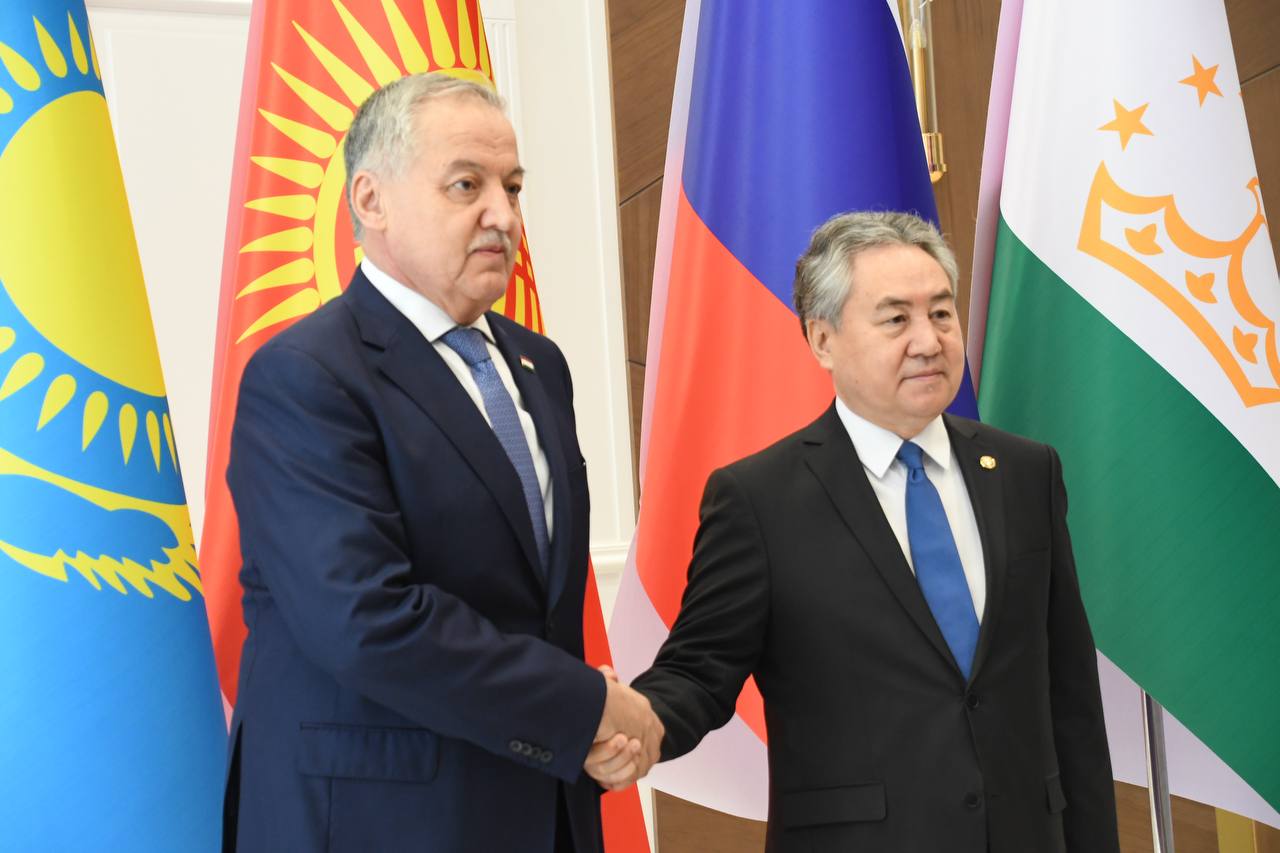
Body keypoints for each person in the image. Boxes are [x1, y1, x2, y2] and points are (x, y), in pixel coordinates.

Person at [221, 72, 661, 853]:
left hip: (541, 807)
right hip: (379, 824)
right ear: (371, 200)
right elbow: (367, 619)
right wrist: (583, 705)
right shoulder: (305, 376)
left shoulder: (539, 365)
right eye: (467, 185)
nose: (504, 215)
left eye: (512, 187)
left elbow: (532, 605)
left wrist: (581, 728)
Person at [609, 212, 1120, 852]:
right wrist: (634, 724)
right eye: (896, 319)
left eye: (941, 313)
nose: (929, 341)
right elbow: (699, 670)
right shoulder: (760, 500)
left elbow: (1071, 697)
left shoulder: (1024, 472)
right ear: (822, 339)